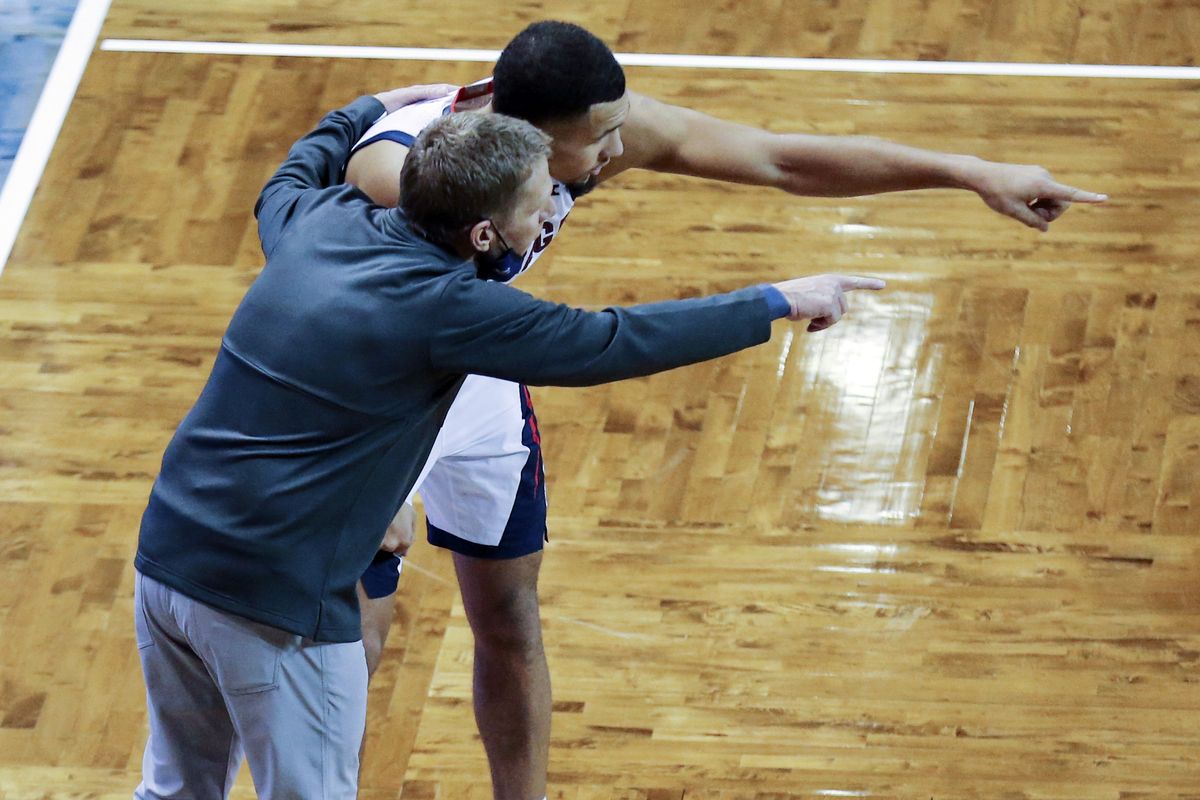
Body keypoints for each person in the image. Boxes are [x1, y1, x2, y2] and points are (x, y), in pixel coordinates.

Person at [344, 20, 1108, 800]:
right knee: (352, 638)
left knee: (508, 616)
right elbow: (318, 283)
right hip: (366, 388)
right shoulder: (394, 171)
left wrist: (970, 171)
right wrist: (366, 479)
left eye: (617, 127)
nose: (616, 151)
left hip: (478, 373)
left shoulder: (588, 134)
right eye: (597, 138)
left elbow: (778, 158)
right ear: (525, 135)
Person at [130, 80, 883, 798]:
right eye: (538, 202)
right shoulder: (450, 308)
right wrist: (779, 299)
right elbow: (614, 341)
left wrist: (382, 103)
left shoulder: (309, 220)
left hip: (166, 563)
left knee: (174, 792)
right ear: (484, 233)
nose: (551, 210)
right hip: (274, 604)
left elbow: (307, 152)